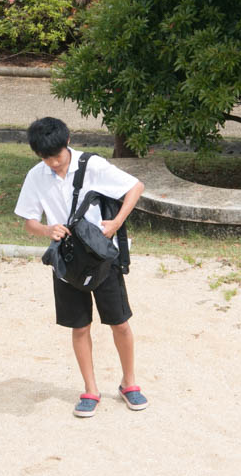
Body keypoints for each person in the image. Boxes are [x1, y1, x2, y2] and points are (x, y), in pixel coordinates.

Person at [15, 117, 148, 418]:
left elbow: (135, 187)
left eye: (57, 156)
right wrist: (47, 230)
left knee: (120, 322)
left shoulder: (92, 165)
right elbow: (28, 221)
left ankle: (129, 383)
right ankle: (90, 389)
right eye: (46, 158)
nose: (53, 163)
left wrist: (116, 223)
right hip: (66, 262)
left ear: (68, 142)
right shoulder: (36, 176)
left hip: (101, 257)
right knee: (80, 326)